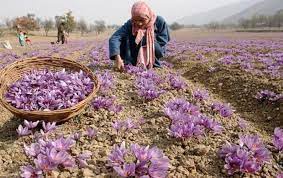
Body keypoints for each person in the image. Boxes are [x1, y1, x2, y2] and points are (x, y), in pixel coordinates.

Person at [109, 1, 170, 70]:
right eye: (135, 20)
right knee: (123, 37)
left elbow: (163, 40)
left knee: (143, 38)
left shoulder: (159, 21)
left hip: (155, 50)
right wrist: (117, 57)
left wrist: (146, 40)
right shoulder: (130, 23)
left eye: (142, 20)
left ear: (148, 16)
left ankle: (152, 63)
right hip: (134, 51)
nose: (139, 23)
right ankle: (129, 62)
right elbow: (115, 37)